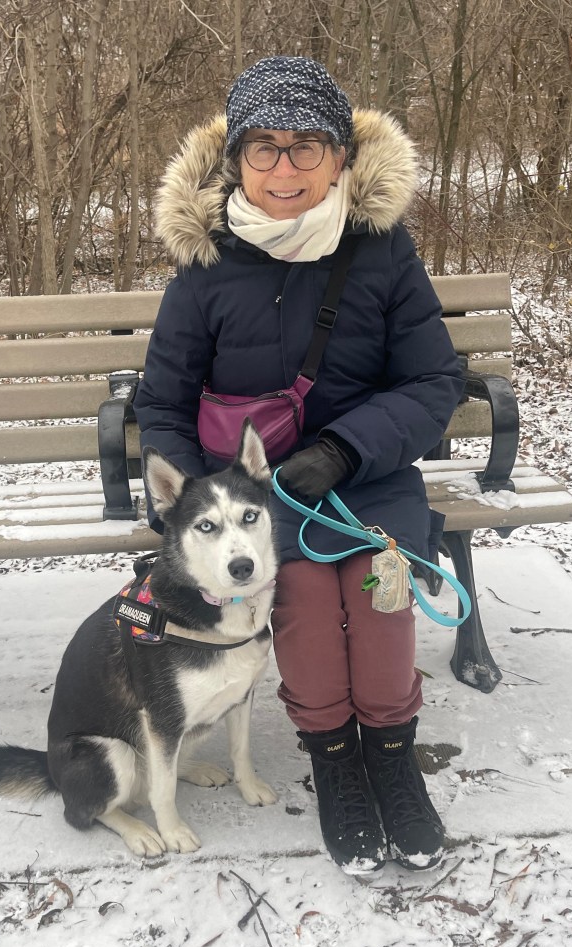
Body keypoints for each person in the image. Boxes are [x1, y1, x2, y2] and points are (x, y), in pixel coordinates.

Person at [134, 56, 464, 873]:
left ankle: (389, 756)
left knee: (377, 594)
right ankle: (333, 760)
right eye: (265, 148)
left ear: (341, 158)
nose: (285, 167)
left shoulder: (381, 252)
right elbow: (163, 402)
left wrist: (346, 448)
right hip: (252, 500)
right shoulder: (205, 264)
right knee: (310, 599)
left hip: (369, 479)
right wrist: (188, 510)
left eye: (307, 146)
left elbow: (433, 379)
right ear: (237, 160)